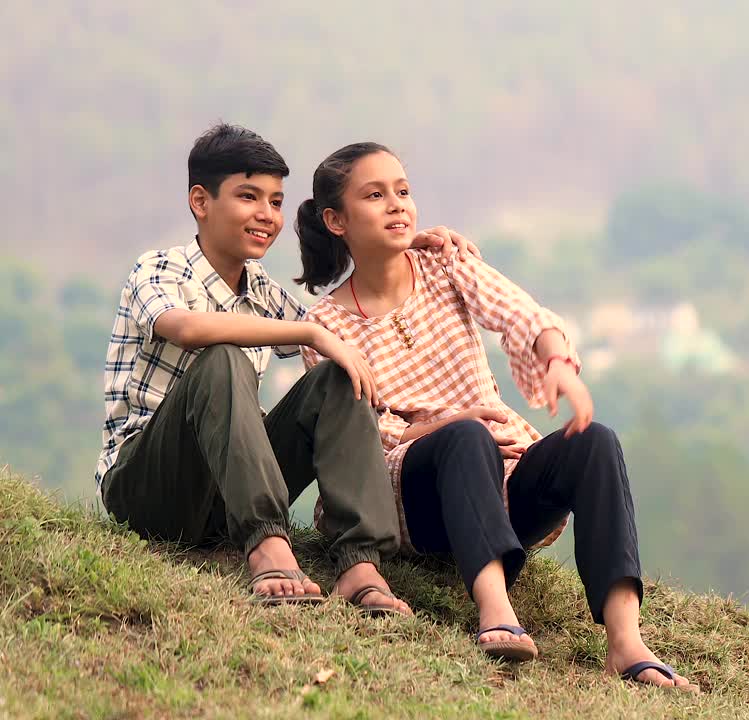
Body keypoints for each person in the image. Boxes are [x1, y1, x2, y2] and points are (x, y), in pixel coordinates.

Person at [295, 142, 698, 691]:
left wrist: (558, 362)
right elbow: (362, 435)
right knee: (466, 436)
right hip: (413, 500)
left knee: (594, 441)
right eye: (375, 195)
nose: (397, 205)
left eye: (403, 191)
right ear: (335, 220)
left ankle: (625, 640)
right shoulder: (326, 326)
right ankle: (494, 609)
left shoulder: (444, 264)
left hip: (500, 482)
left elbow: (519, 312)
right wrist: (451, 424)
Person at [96, 124, 475, 616]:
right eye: (248, 197)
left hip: (223, 494)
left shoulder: (264, 292)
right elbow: (187, 328)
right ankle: (267, 544)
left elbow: (340, 324)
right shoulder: (159, 269)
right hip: (148, 488)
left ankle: (360, 562)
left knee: (337, 375)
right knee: (224, 355)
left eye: (275, 202)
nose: (265, 215)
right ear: (200, 201)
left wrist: (401, 246)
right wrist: (310, 334)